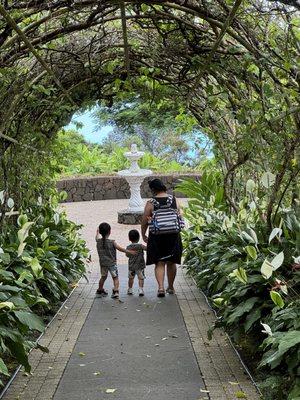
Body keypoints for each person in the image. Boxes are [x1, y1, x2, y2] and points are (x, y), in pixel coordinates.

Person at [141, 178, 183, 297]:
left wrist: (143, 234)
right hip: (173, 235)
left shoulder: (151, 203)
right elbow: (180, 214)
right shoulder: (174, 199)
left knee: (159, 262)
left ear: (153, 189)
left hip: (157, 236)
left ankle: (160, 288)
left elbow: (144, 220)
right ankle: (170, 287)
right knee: (171, 262)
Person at [96, 222, 136, 299]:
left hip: (103, 264)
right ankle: (116, 291)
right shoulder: (112, 242)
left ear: (100, 232)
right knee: (115, 278)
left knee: (103, 277)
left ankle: (100, 289)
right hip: (112, 264)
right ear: (110, 232)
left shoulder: (98, 241)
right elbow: (119, 248)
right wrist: (128, 251)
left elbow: (97, 237)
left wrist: (97, 232)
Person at [126, 229, 147, 297]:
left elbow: (127, 255)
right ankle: (140, 289)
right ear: (139, 238)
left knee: (131, 278)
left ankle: (130, 289)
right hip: (140, 266)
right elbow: (147, 248)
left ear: (129, 238)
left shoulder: (128, 247)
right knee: (141, 278)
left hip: (131, 266)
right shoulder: (140, 246)